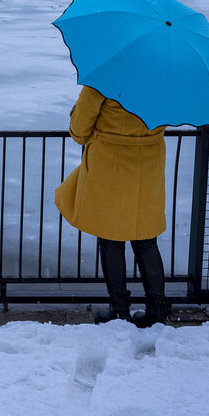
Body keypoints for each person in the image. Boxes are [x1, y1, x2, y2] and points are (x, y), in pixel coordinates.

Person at [54, 84, 171, 327]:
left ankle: (119, 309)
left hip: (110, 166)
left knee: (111, 239)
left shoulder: (104, 79)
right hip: (148, 166)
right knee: (146, 240)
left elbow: (79, 131)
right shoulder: (165, 80)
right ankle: (157, 310)